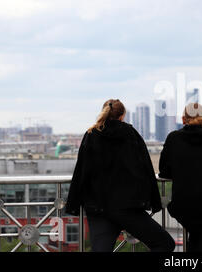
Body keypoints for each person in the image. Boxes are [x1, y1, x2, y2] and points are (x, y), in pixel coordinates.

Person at [65, 99, 175, 252]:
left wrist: (76, 202)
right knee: (165, 244)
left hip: (98, 208)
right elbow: (144, 168)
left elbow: (82, 171)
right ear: (122, 115)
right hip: (127, 206)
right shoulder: (130, 133)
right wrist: (150, 199)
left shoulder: (91, 134)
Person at [158, 103, 202, 252]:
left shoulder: (173, 138)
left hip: (185, 205)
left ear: (183, 119)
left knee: (195, 243)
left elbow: (163, 171)